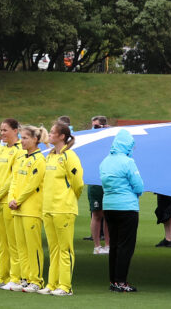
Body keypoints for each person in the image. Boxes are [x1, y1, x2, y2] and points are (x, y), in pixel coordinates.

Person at [100, 128, 145, 293]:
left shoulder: (105, 161)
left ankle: (113, 280)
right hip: (127, 207)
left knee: (114, 245)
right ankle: (121, 281)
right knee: (126, 246)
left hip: (109, 207)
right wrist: (136, 193)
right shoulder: (128, 162)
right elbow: (139, 185)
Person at [42, 121, 84, 296]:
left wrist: (68, 199)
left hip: (63, 209)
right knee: (53, 249)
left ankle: (65, 286)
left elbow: (78, 184)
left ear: (61, 136)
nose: (49, 135)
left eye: (52, 133)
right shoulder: (50, 156)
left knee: (65, 249)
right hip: (48, 208)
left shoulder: (69, 156)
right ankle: (52, 284)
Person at [8, 125, 48, 293]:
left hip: (31, 208)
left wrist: (19, 199)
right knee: (21, 246)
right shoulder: (22, 158)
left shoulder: (39, 159)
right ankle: (24, 278)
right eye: (21, 137)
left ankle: (36, 280)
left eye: (25, 138)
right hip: (17, 208)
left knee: (33, 246)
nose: (22, 141)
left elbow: (33, 184)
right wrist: (11, 198)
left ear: (35, 140)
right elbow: (14, 180)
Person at [0, 117, 24, 290]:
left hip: (7, 201)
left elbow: (14, 177)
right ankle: (1, 275)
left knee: (13, 242)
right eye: (1, 130)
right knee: (1, 241)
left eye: (5, 130)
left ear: (16, 130)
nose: (2, 134)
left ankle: (15, 276)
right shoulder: (1, 151)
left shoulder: (19, 151)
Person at [88, 115, 110, 254]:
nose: (94, 129)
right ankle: (97, 246)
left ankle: (108, 245)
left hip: (108, 182)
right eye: (93, 126)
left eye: (96, 126)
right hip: (95, 183)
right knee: (96, 215)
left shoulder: (110, 138)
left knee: (108, 215)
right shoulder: (91, 140)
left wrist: (109, 131)